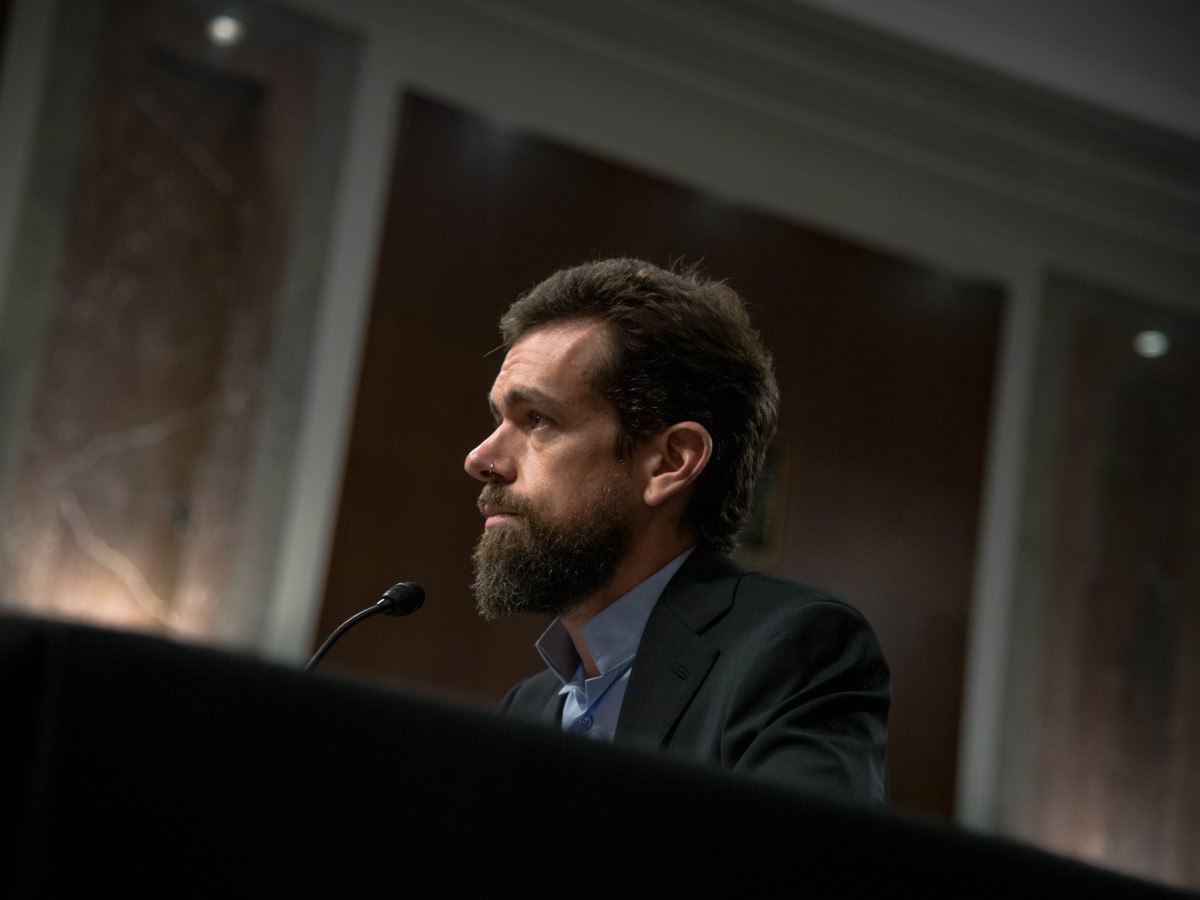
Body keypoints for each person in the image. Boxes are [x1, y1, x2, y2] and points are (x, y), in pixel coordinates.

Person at [464, 258, 889, 804]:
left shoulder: (790, 653)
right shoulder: (528, 707)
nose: (480, 458)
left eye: (537, 420)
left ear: (670, 462)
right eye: (497, 419)